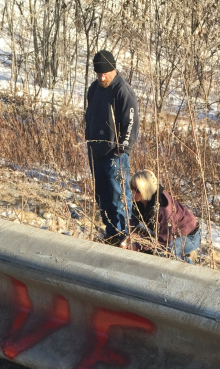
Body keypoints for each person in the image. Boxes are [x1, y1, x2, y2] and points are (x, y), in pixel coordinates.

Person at [84, 49, 139, 245]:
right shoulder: (94, 88)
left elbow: (131, 124)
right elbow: (89, 116)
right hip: (95, 152)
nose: (102, 76)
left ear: (113, 69)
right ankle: (111, 233)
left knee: (119, 197)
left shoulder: (122, 91)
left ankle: (124, 236)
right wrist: (89, 140)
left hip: (115, 154)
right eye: (98, 73)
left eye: (105, 72)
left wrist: (122, 148)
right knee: (103, 196)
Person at [129, 170, 200, 263]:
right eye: (131, 187)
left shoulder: (162, 208)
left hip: (189, 236)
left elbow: (164, 240)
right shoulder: (140, 201)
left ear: (145, 190)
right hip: (169, 233)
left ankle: (189, 268)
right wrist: (129, 237)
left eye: (137, 189)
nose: (133, 192)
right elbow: (133, 222)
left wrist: (138, 246)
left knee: (164, 253)